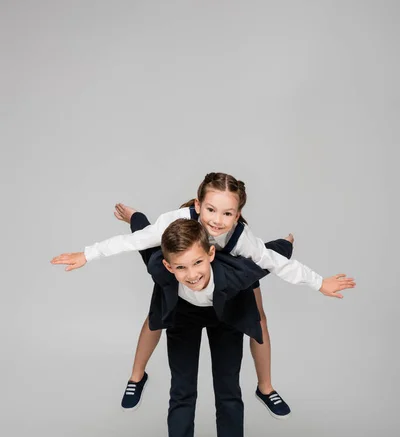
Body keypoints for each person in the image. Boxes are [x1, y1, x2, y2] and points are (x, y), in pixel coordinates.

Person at [51, 172, 355, 420]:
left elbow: (273, 264)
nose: (217, 220)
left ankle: (265, 386)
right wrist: (87, 254)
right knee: (155, 297)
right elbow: (135, 242)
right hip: (189, 268)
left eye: (227, 213)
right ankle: (136, 376)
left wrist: (319, 283)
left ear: (238, 215)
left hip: (228, 272)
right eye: (211, 210)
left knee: (260, 308)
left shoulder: (240, 238)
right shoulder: (177, 222)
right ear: (198, 206)